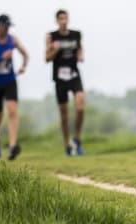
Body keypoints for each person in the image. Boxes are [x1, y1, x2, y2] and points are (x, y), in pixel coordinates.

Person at [0, 14, 29, 160]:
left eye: (9, 26)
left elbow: (25, 54)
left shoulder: (12, 39)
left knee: (12, 110)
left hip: (10, 80)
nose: (7, 29)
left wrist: (23, 66)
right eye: (5, 26)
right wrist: (1, 57)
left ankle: (13, 145)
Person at [45, 9, 85, 156]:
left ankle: (77, 139)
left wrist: (81, 56)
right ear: (57, 21)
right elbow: (46, 58)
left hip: (74, 75)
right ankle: (67, 144)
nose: (63, 21)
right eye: (61, 19)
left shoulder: (76, 34)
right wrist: (55, 50)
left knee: (80, 106)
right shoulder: (51, 36)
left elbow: (80, 49)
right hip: (60, 78)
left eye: (65, 18)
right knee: (64, 115)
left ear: (68, 20)